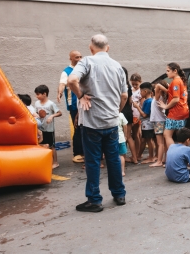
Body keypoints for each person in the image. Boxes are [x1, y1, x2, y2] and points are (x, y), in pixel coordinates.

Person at [68, 34, 128, 212]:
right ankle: (119, 194)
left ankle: (94, 200)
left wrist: (80, 96)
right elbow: (124, 95)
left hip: (92, 122)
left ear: (91, 48)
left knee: (93, 161)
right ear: (107, 48)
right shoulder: (117, 66)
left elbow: (71, 80)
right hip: (111, 122)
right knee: (114, 159)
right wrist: (117, 110)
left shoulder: (87, 62)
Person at [57, 50, 84, 163]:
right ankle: (77, 153)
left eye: (80, 57)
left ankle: (84, 152)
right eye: (76, 57)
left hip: (84, 102)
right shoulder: (67, 72)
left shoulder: (83, 69)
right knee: (77, 127)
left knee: (85, 128)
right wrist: (59, 93)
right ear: (71, 59)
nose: (79, 59)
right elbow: (62, 84)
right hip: (74, 104)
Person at [158, 63, 189, 148]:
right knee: (181, 136)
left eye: (168, 71)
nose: (166, 73)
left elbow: (176, 98)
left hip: (176, 112)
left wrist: (165, 106)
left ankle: (173, 154)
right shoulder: (181, 80)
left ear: (175, 71)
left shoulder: (175, 81)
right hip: (183, 111)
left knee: (167, 135)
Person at [34, 84, 62, 169]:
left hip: (49, 129)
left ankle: (55, 162)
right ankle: (45, 161)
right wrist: (36, 115)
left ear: (44, 94)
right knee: (42, 144)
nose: (36, 96)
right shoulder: (37, 103)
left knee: (51, 146)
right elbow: (35, 112)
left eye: (38, 94)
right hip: (40, 129)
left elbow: (59, 113)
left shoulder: (51, 104)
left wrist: (51, 116)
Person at [121, 67, 138, 165]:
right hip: (128, 111)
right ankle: (135, 158)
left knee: (123, 136)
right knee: (129, 136)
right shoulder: (128, 86)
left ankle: (122, 157)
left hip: (121, 111)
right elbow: (131, 101)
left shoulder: (119, 85)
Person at [150, 80, 168, 167]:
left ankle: (159, 161)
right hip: (163, 120)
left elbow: (158, 87)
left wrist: (166, 89)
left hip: (158, 121)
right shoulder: (164, 97)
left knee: (160, 143)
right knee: (164, 142)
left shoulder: (158, 97)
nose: (154, 90)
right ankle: (165, 159)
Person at [137, 82, 156, 164]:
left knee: (149, 140)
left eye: (140, 91)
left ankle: (151, 157)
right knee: (145, 139)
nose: (140, 93)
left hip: (147, 124)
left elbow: (144, 114)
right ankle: (139, 155)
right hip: (148, 124)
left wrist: (137, 107)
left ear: (145, 91)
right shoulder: (150, 100)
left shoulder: (148, 101)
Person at [130, 73, 143, 160]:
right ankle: (135, 152)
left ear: (140, 82)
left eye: (136, 84)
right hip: (131, 113)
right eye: (133, 84)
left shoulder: (140, 91)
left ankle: (138, 153)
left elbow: (141, 104)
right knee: (133, 134)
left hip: (137, 114)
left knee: (136, 134)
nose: (134, 85)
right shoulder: (131, 90)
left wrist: (140, 115)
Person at [117, 112, 128, 176]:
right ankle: (122, 171)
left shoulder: (109, 114)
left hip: (112, 138)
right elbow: (125, 125)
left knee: (113, 155)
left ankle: (115, 170)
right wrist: (125, 135)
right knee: (122, 155)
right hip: (121, 137)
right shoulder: (121, 114)